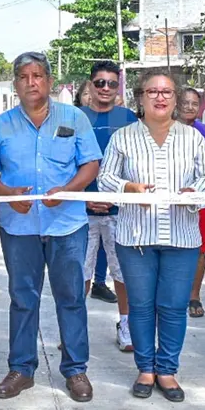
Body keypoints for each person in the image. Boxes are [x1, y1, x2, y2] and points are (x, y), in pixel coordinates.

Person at [0, 52, 100, 403]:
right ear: (15, 84)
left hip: (67, 225)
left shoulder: (73, 117)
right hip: (19, 227)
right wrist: (5, 194)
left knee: (72, 297)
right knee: (22, 298)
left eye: (38, 76)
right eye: (23, 77)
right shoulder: (2, 124)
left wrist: (70, 190)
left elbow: (91, 163)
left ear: (48, 80)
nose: (31, 82)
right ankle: (21, 369)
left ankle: (76, 370)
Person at [97, 73, 205, 402]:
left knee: (174, 306)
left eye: (166, 92)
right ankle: (145, 369)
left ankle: (167, 369)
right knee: (140, 305)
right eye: (152, 91)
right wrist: (129, 188)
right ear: (141, 97)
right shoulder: (123, 137)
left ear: (176, 99)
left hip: (182, 235)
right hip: (135, 235)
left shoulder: (191, 138)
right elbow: (105, 178)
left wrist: (194, 193)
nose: (160, 98)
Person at [76, 61, 136, 350]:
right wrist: (83, 196)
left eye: (112, 84)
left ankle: (125, 324)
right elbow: (65, 162)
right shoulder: (75, 117)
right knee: (80, 273)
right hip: (79, 210)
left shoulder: (130, 119)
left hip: (120, 211)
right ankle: (75, 328)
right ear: (90, 85)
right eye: (100, 83)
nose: (105, 89)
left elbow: (137, 166)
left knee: (122, 273)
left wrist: (117, 196)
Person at [178, 88, 205, 318]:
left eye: (195, 103)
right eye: (185, 102)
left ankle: (194, 295)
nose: (190, 107)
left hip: (198, 198)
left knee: (199, 249)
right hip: (170, 197)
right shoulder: (166, 128)